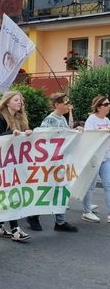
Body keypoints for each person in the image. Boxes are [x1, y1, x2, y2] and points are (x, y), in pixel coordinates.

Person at [0, 91, 32, 242]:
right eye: (16, 100)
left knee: (12, 193)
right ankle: (15, 229)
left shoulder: (21, 118)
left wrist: (27, 134)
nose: (20, 103)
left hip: (17, 161)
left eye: (21, 100)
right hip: (3, 162)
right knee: (12, 193)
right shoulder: (1, 118)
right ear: (7, 102)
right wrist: (10, 133)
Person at [36, 93, 79, 232]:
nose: (68, 105)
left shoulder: (62, 119)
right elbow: (42, 138)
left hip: (61, 162)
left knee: (61, 189)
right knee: (46, 190)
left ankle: (60, 221)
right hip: (51, 163)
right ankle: (33, 215)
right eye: (65, 103)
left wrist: (74, 131)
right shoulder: (50, 120)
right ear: (57, 105)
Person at [82, 95, 110, 223]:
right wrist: (104, 131)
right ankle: (87, 211)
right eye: (106, 104)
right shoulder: (91, 120)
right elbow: (88, 138)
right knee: (91, 185)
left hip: (106, 157)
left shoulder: (107, 120)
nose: (108, 106)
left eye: (108, 104)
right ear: (98, 107)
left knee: (108, 184)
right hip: (94, 158)